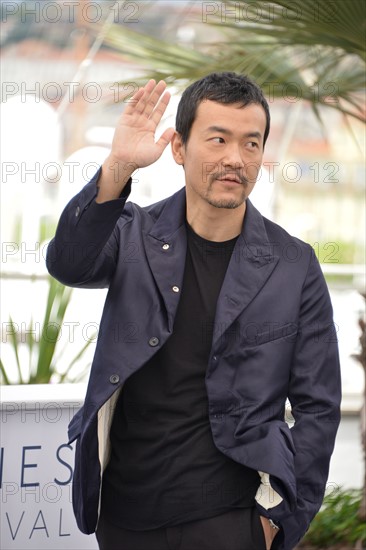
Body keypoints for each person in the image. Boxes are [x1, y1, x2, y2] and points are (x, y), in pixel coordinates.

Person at [46, 73, 341, 550]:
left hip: (230, 520)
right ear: (179, 149)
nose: (235, 159)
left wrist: (277, 523)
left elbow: (318, 407)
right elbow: (69, 262)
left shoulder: (294, 264)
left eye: (251, 143)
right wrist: (118, 166)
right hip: (124, 516)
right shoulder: (133, 233)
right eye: (218, 139)